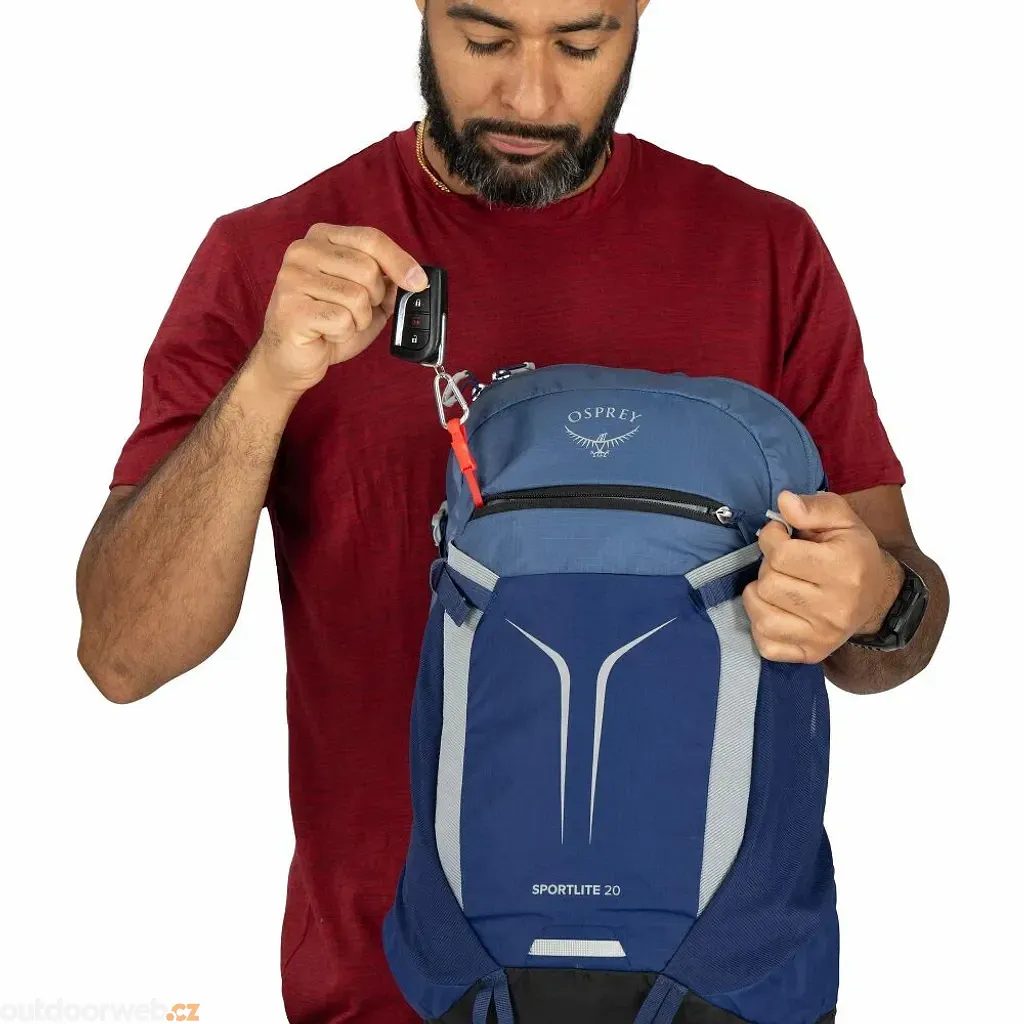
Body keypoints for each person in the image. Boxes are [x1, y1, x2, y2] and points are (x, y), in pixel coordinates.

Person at [75, 2, 949, 1022]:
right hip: (388, 988)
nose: (530, 96)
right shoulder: (272, 259)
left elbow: (895, 636)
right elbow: (123, 655)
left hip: (717, 985)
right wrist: (268, 381)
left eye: (581, 43)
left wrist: (873, 600)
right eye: (484, 39)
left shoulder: (764, 251)